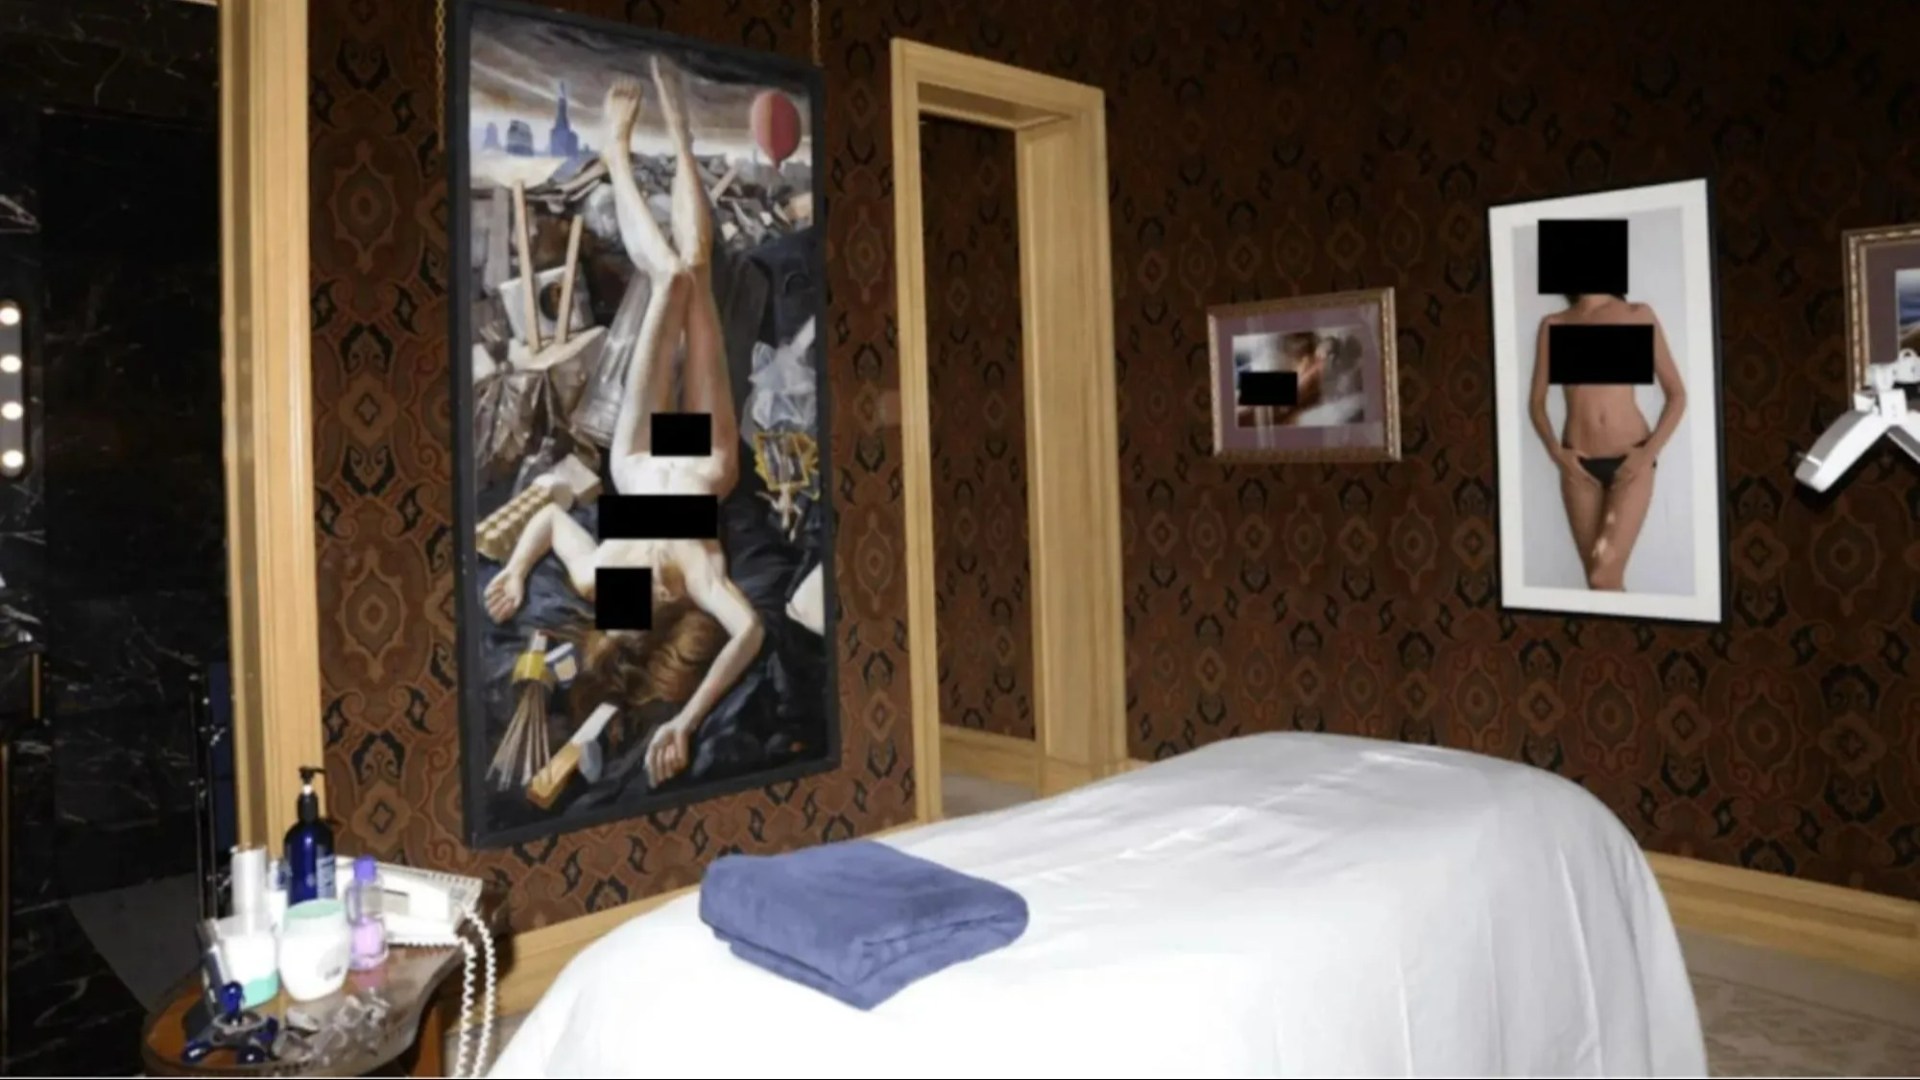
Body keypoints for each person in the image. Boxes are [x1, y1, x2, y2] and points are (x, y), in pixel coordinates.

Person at [483, 57, 763, 788]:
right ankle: (679, 133)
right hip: (699, 461)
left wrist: (515, 569)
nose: (643, 588)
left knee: (669, 279)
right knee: (693, 269)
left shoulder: (606, 583)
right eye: (647, 601)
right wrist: (686, 720)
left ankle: (616, 153)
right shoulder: (694, 577)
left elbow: (551, 523)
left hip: (640, 460)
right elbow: (750, 632)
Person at [1528, 293, 1687, 591]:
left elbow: (1677, 395)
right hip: (1578, 469)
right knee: (1599, 586)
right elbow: (1537, 403)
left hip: (1631, 461)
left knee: (1602, 577)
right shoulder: (1554, 325)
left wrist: (1647, 454)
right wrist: (1557, 454)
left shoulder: (1636, 315)